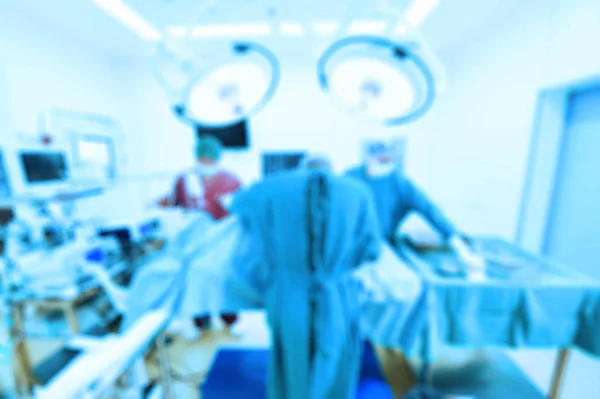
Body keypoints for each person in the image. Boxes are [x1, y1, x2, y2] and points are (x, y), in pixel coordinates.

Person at [232, 168, 382, 399]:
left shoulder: (268, 188)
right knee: (335, 364)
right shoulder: (359, 192)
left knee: (291, 365)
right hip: (338, 295)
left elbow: (235, 207)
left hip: (287, 294)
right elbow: (372, 249)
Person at [346, 140, 484, 269]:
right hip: (348, 247)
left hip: (382, 249)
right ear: (369, 158)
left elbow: (430, 210)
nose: (384, 161)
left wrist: (456, 241)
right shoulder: (350, 178)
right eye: (380, 158)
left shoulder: (399, 183)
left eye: (387, 158)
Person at [159, 135, 242, 335]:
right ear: (196, 158)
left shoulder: (232, 181)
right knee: (196, 280)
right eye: (202, 160)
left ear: (218, 160)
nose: (206, 164)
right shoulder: (184, 179)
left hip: (223, 241)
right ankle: (200, 322)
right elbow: (174, 202)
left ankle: (229, 321)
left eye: (210, 161)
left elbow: (242, 208)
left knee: (223, 280)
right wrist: (158, 204)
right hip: (195, 241)